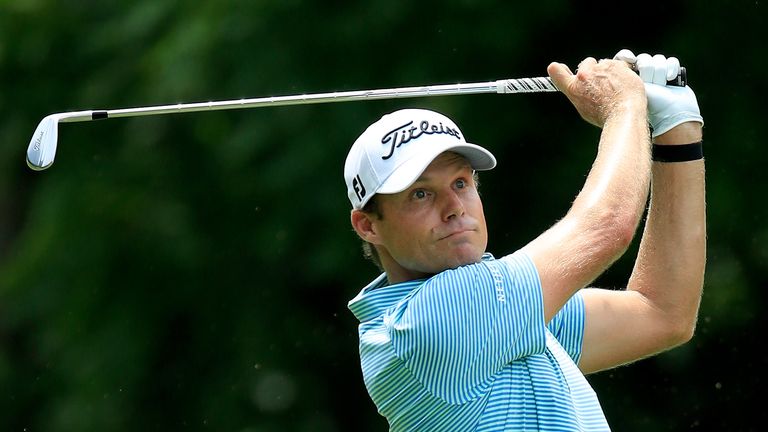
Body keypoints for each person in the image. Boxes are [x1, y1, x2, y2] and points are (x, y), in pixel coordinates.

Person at [343, 49, 705, 431]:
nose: (454, 207)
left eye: (461, 183)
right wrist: (624, 106)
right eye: (420, 193)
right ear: (368, 226)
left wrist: (676, 130)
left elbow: (662, 313)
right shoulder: (428, 323)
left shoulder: (499, 317)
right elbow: (606, 227)